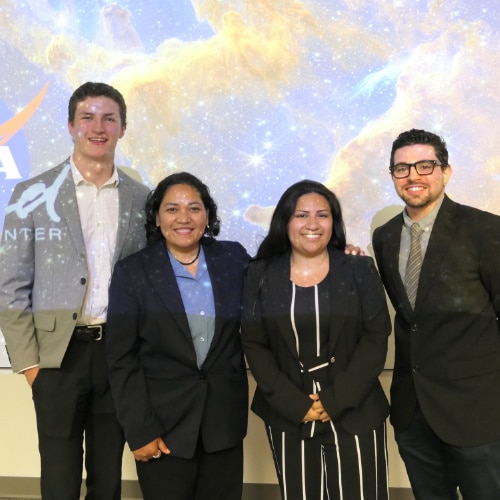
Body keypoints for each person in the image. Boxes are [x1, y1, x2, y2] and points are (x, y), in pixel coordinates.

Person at [0, 82, 150, 499]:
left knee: (108, 476)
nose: (98, 127)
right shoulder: (30, 195)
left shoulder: (144, 200)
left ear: (123, 128)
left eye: (109, 118)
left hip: (118, 354)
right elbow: (10, 287)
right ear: (70, 125)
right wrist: (30, 365)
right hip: (55, 360)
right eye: (87, 117)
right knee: (59, 477)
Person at [241, 179, 391, 499]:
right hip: (287, 411)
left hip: (355, 409)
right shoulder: (260, 274)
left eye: (322, 215)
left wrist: (333, 401)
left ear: (334, 221)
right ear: (285, 221)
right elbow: (254, 343)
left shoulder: (359, 268)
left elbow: (376, 336)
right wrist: (296, 404)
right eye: (301, 215)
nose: (312, 224)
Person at [104, 171, 249, 500]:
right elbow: (121, 359)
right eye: (172, 209)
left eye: (194, 208)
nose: (184, 217)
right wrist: (139, 431)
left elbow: (282, 277)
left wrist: (342, 254)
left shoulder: (233, 259)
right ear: (156, 217)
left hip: (222, 426)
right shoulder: (133, 272)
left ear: (208, 215)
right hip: (162, 430)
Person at [372, 128, 500, 500]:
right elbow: (410, 315)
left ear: (446, 171)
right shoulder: (384, 236)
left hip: (475, 410)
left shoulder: (485, 230)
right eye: (402, 168)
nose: (413, 175)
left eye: (425, 165)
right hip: (412, 412)